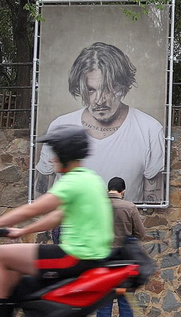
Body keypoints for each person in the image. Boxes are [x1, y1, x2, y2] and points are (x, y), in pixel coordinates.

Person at [0, 127, 114, 317]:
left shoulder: (73, 182)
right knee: (14, 271)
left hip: (74, 256)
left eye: (55, 153)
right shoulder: (91, 180)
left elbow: (32, 210)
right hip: (88, 256)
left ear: (64, 154)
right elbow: (57, 216)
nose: (52, 159)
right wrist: (21, 232)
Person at [36, 42, 166, 203]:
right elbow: (41, 195)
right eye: (91, 89)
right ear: (81, 88)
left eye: (108, 88)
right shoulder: (60, 127)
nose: (99, 100)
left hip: (121, 227)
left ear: (123, 87)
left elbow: (153, 204)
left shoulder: (149, 130)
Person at [100, 177, 147, 317]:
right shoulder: (130, 207)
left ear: (108, 190)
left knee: (105, 300)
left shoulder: (98, 206)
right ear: (123, 191)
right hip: (125, 258)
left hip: (104, 257)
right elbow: (140, 233)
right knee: (126, 299)